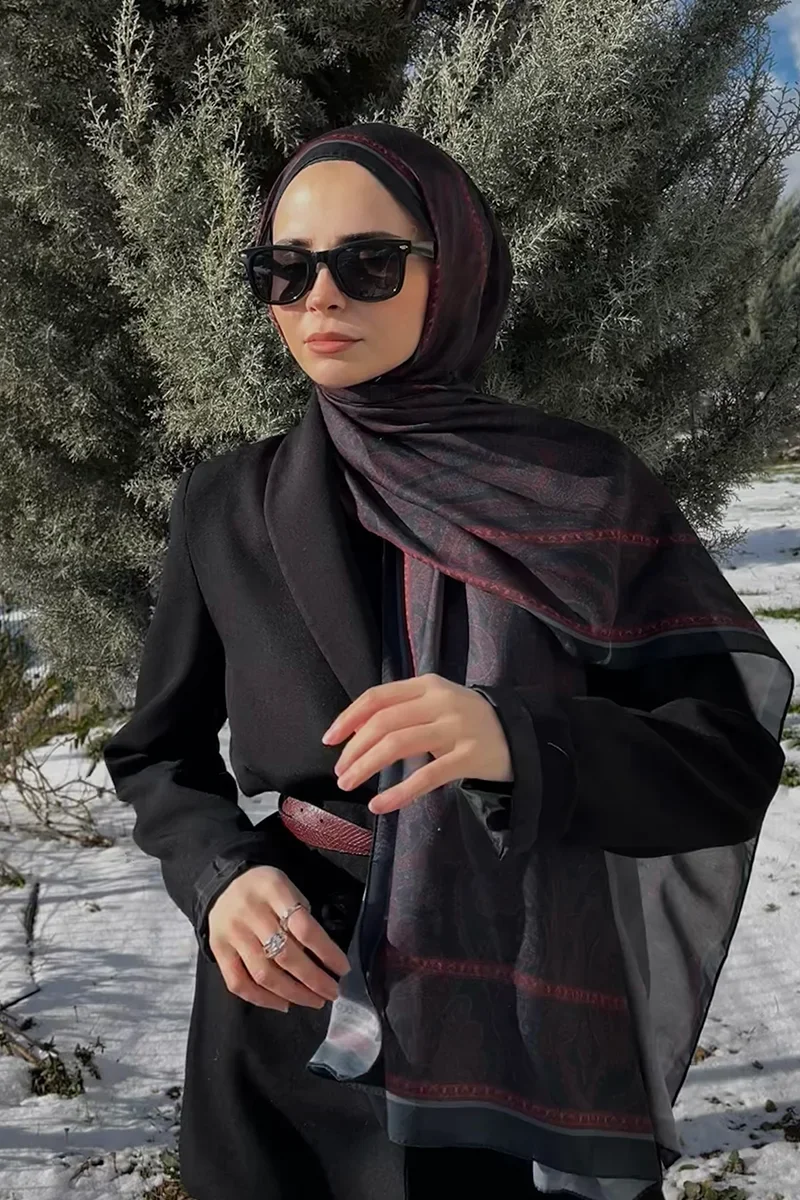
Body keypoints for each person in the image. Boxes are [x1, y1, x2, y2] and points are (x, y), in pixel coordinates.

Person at [103, 123, 793, 1200]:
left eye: (368, 263)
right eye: (284, 269)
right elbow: (159, 754)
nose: (320, 298)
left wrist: (519, 741)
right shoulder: (228, 504)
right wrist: (219, 878)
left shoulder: (583, 489)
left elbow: (722, 762)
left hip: (518, 999)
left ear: (455, 270)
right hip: (290, 997)